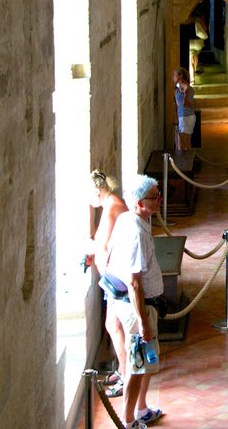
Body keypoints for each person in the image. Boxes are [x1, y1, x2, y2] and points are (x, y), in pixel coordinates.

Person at [107, 175, 166, 428]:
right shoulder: (136, 233)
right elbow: (134, 282)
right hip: (137, 307)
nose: (160, 199)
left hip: (134, 303)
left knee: (147, 362)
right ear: (140, 203)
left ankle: (142, 409)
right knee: (136, 365)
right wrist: (143, 322)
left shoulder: (130, 219)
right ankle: (128, 420)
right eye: (155, 197)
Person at [88, 170, 129, 398]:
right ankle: (122, 370)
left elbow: (101, 244)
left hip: (117, 279)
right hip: (114, 278)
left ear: (97, 190)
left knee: (114, 326)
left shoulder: (113, 206)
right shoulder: (111, 204)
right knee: (114, 326)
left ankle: (125, 375)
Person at [172, 67, 196, 151]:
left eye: (174, 75)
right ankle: (183, 163)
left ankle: (185, 163)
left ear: (180, 76)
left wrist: (185, 97)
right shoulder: (178, 88)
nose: (173, 77)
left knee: (183, 145)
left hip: (186, 117)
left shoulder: (186, 88)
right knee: (181, 144)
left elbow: (186, 88)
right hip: (183, 117)